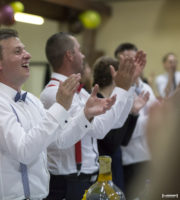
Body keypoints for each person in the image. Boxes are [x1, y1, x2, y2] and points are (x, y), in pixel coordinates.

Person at [0, 29, 116, 200]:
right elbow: (24, 151)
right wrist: (60, 106)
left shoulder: (31, 100)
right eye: (18, 51)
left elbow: (60, 140)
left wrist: (85, 115)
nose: (28, 55)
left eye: (24, 49)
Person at [40, 33, 145, 200]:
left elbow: (115, 122)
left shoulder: (79, 91)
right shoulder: (55, 92)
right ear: (69, 55)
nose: (82, 55)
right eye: (79, 50)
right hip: (67, 183)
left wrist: (128, 84)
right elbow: (99, 130)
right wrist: (123, 88)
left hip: (86, 179)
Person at [93, 56, 150, 191]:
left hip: (115, 165)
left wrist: (133, 113)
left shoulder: (109, 101)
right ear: (116, 76)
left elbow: (123, 140)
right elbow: (111, 143)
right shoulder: (96, 101)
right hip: (102, 169)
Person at [114, 42, 157, 199]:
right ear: (119, 64)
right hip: (130, 159)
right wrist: (154, 120)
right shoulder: (118, 90)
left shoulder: (146, 87)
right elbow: (126, 129)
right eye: (128, 61)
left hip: (149, 156)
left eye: (136, 59)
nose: (134, 64)